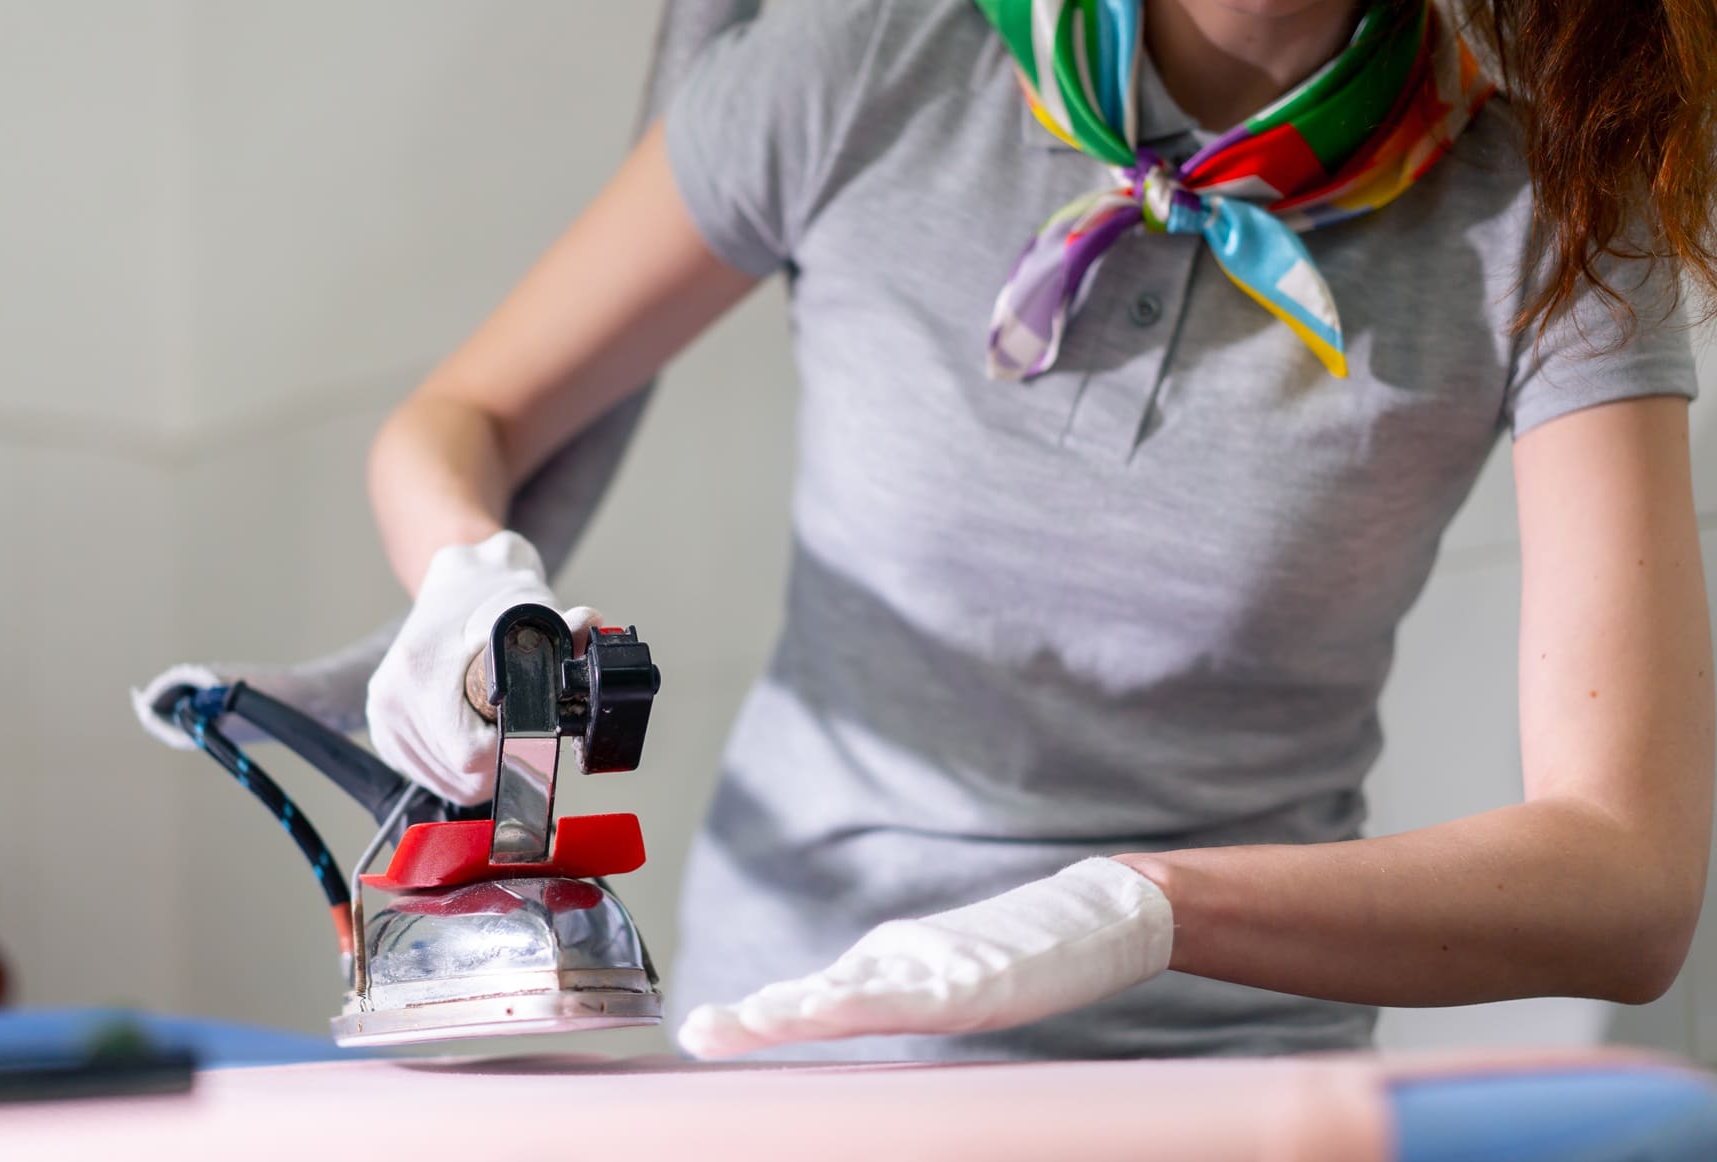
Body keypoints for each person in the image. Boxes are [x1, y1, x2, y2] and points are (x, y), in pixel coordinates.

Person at [338, 0, 1717, 1061]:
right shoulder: (874, 53)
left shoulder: (1561, 214)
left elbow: (1628, 877)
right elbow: (464, 417)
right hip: (787, 1057)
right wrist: (469, 575)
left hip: (1230, 1110)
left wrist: (1144, 906)